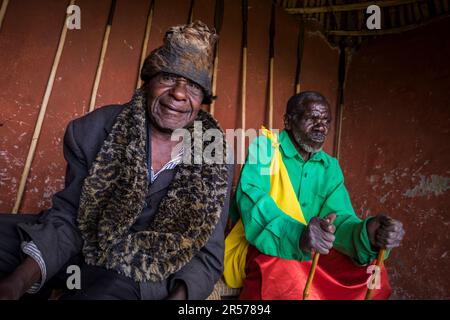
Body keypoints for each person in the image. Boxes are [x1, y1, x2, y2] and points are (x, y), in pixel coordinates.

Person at [0, 20, 233, 300]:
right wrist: (16, 283)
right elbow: (71, 216)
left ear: (202, 100)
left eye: (194, 86)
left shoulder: (214, 155)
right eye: (169, 78)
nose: (180, 93)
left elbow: (206, 254)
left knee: (107, 292)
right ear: (149, 82)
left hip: (145, 270)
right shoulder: (92, 129)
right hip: (82, 247)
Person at [225, 91, 405, 299]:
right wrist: (298, 235)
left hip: (313, 252)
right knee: (285, 271)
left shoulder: (330, 167)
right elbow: (254, 203)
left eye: (326, 120)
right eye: (312, 118)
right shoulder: (265, 149)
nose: (321, 127)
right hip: (264, 244)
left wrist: (367, 233)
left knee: (374, 272)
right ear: (289, 121)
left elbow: (340, 219)